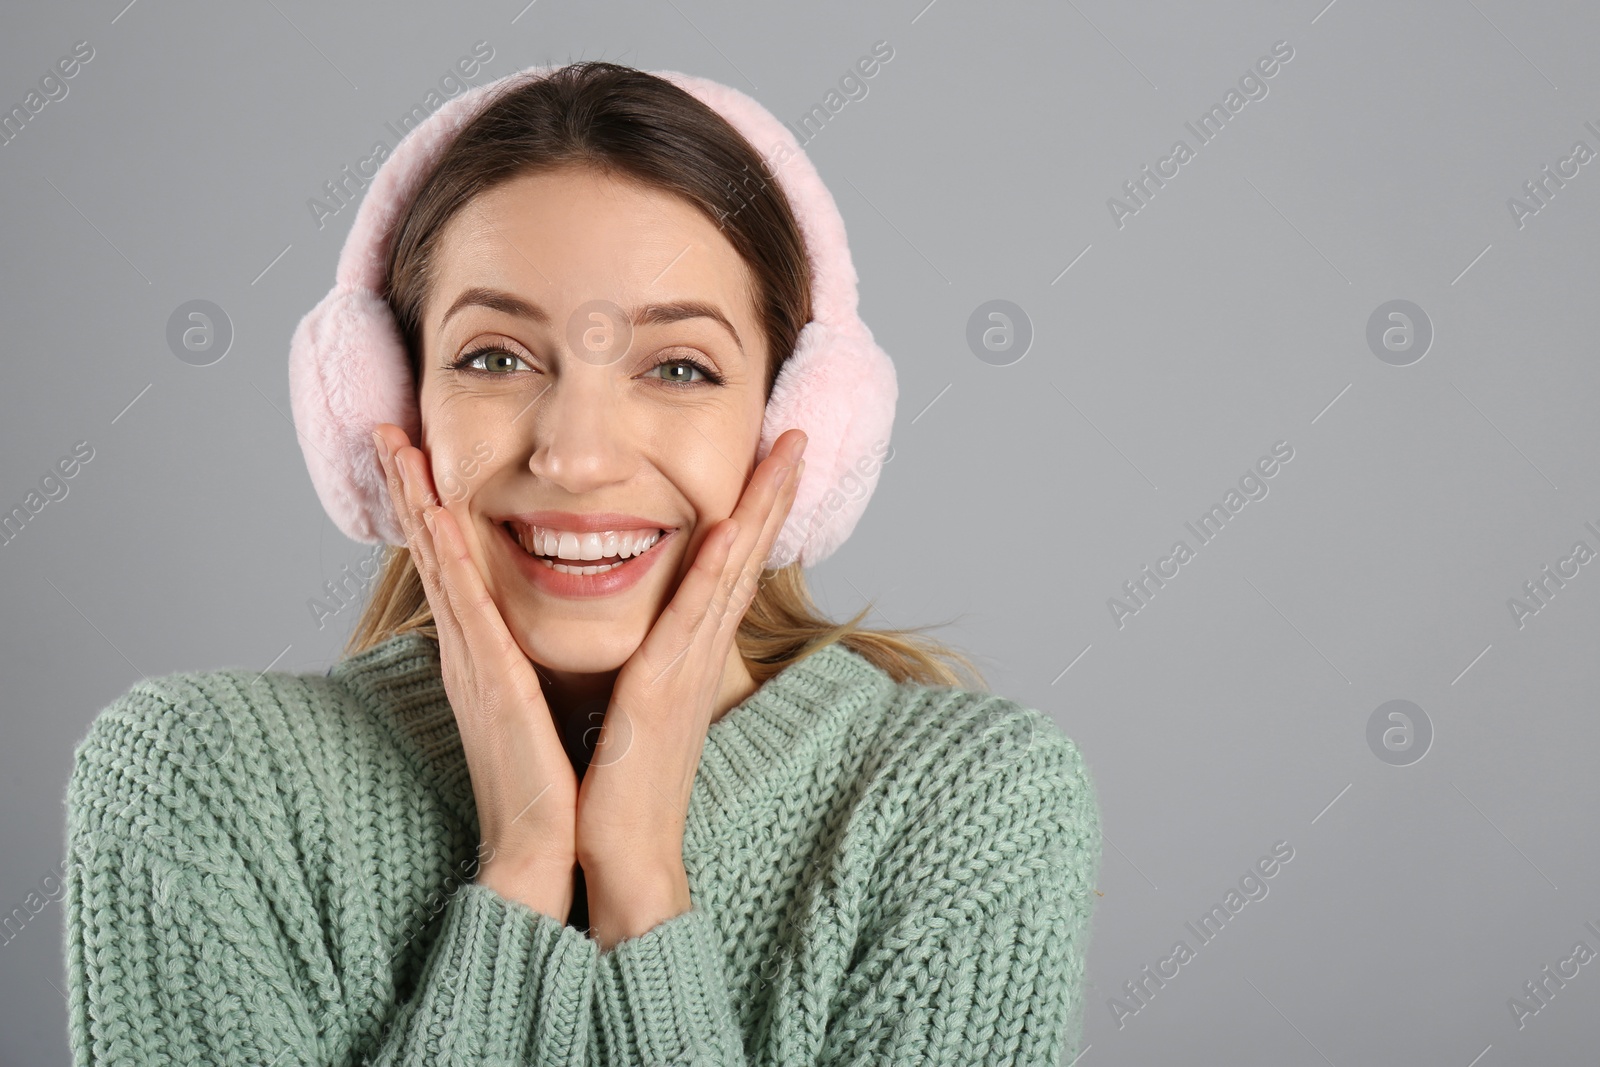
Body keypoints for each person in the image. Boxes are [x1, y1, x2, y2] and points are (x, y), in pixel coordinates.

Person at [64, 61, 1101, 1066]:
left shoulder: (961, 802)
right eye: (494, 357)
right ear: (389, 407)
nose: (576, 455)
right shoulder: (201, 782)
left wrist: (642, 882)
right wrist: (519, 873)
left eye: (679, 366)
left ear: (798, 424)